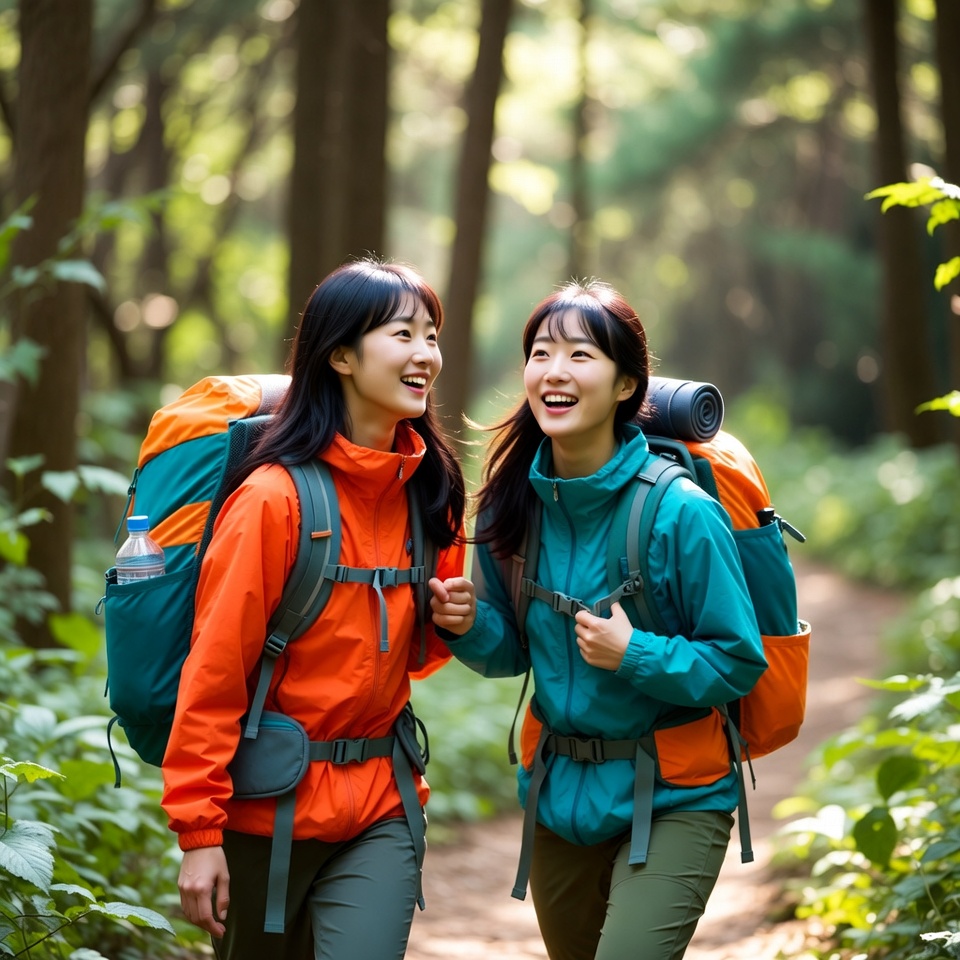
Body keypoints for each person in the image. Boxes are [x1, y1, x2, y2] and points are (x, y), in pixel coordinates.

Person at [429, 279, 767, 960]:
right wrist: (468, 626)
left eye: (581, 355)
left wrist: (635, 653)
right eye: (542, 353)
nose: (555, 372)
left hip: (678, 792)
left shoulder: (681, 514)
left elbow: (738, 659)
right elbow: (514, 653)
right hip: (560, 793)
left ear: (625, 386)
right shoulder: (510, 504)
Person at [161, 258, 467, 960]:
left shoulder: (431, 490)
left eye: (432, 335)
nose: (426, 354)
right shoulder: (273, 500)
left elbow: (417, 655)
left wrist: (452, 618)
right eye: (403, 334)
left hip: (383, 804)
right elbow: (215, 671)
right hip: (267, 813)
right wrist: (200, 834)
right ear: (341, 355)